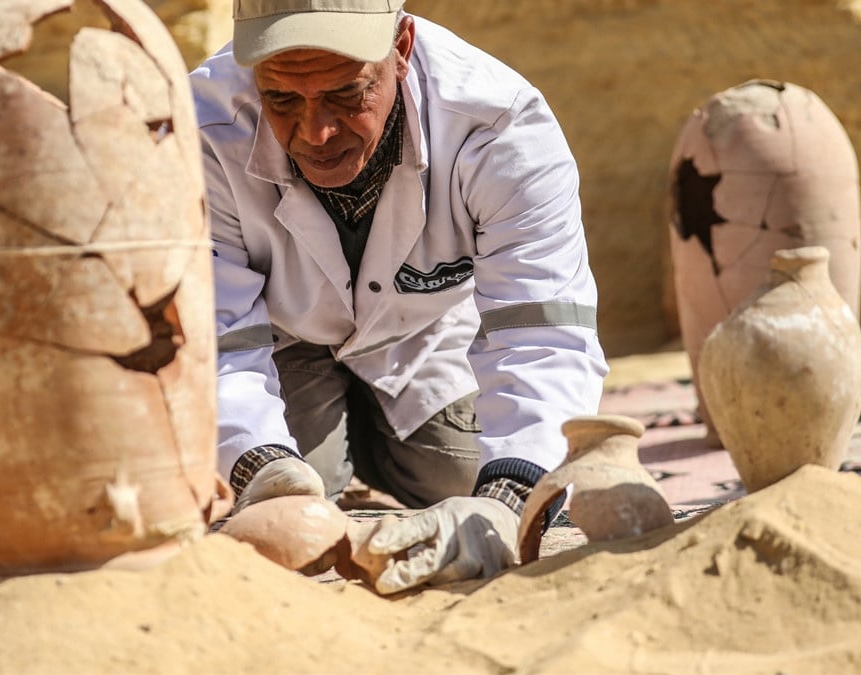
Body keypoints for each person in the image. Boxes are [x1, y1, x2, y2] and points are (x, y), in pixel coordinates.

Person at [191, 0, 608, 594]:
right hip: (276, 342)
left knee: (473, 480)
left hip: (420, 338)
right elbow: (210, 335)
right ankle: (324, 456)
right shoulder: (198, 130)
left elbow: (544, 331)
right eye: (281, 99)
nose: (316, 132)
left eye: (346, 94)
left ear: (402, 47)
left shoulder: (501, 127)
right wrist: (260, 465)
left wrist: (510, 499)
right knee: (284, 503)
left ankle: (383, 451)